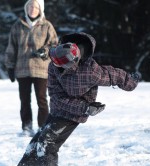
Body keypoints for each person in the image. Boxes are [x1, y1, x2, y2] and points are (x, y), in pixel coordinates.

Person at [17, 32, 141, 165]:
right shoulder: (54, 64)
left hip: (74, 113)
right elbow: (56, 95)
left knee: (47, 142)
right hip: (57, 108)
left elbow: (113, 75)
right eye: (54, 60)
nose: (54, 64)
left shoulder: (90, 72)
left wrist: (131, 82)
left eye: (58, 63)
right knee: (36, 144)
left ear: (71, 63)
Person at [4, 0, 58, 136]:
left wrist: (45, 51)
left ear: (40, 9)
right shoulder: (17, 26)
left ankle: (43, 127)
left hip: (41, 69)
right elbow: (11, 48)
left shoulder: (47, 25)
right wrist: (10, 66)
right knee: (24, 100)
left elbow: (54, 45)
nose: (32, 9)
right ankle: (27, 128)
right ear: (26, 8)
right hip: (22, 70)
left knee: (42, 99)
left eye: (35, 7)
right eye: (30, 6)